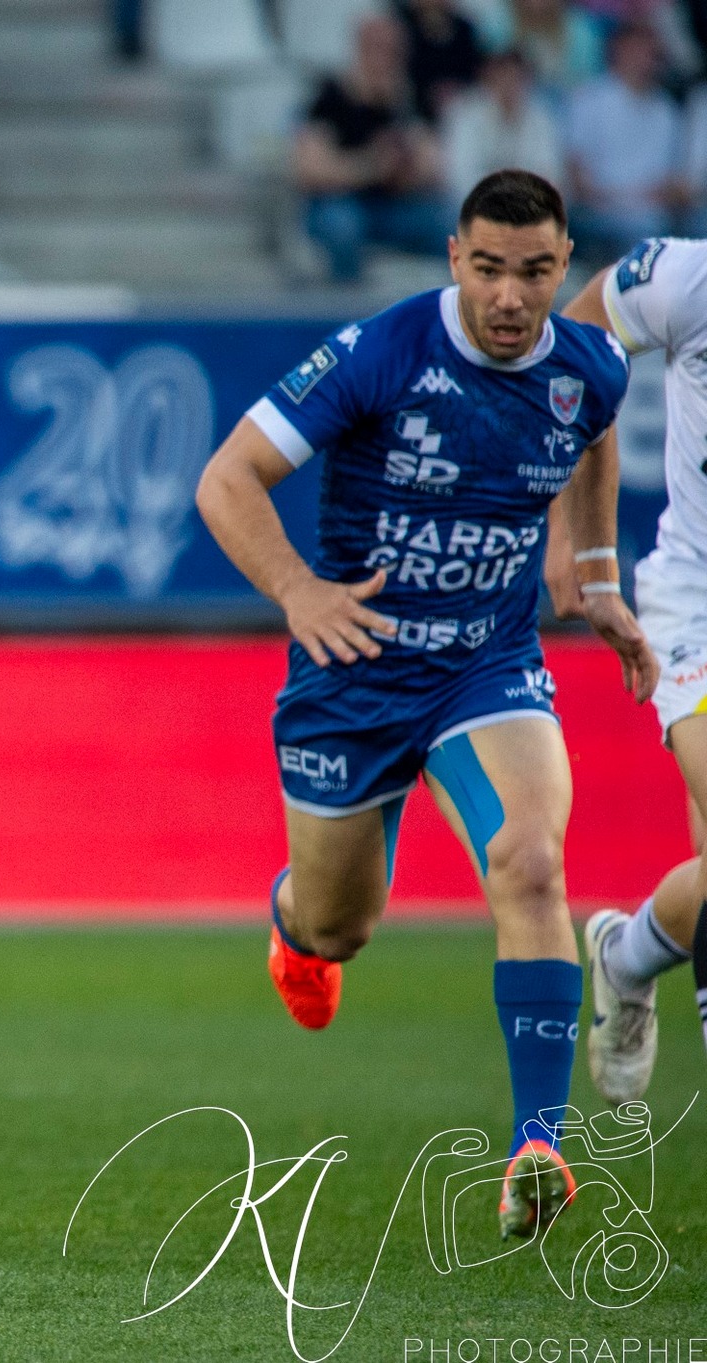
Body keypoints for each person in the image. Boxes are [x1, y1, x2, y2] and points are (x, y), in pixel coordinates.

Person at [193, 169, 655, 1242]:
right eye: (487, 269)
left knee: (531, 863)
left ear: (564, 264)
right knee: (341, 924)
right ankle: (295, 927)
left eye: (533, 272)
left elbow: (593, 433)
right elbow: (228, 477)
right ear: (454, 258)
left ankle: (536, 1143)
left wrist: (589, 570)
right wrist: (297, 589)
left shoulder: (588, 366)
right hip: (351, 670)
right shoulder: (383, 352)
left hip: (484, 668)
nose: (509, 296)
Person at [558, 234, 707, 1105]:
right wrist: (576, 536)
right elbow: (575, 348)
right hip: (697, 606)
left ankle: (626, 955)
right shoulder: (685, 277)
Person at [293, 14, 448, 286]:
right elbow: (309, 170)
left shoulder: (409, 100)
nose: (385, 58)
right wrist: (372, 166)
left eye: (393, 50)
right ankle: (347, 301)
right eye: (377, 48)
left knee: (450, 224)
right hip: (343, 203)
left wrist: (405, 166)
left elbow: (432, 166)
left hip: (397, 205)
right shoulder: (331, 98)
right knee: (342, 227)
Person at [565, 23, 686, 261]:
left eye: (650, 52)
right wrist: (614, 200)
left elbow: (675, 182)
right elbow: (576, 173)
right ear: (618, 51)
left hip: (653, 217)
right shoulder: (589, 99)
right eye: (636, 49)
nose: (644, 59)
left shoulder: (666, 110)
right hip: (599, 214)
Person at [442, 49, 565, 210]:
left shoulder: (540, 118)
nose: (509, 84)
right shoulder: (466, 114)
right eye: (503, 76)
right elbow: (461, 176)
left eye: (517, 78)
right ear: (489, 78)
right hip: (476, 209)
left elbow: (550, 172)